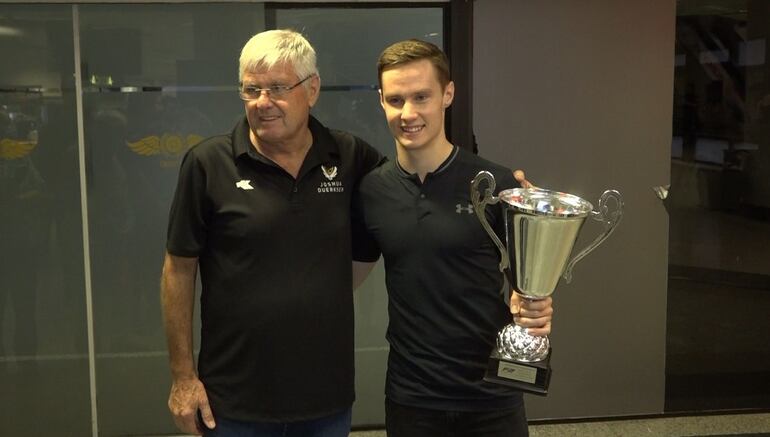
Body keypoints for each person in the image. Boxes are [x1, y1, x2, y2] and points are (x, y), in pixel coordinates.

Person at [161, 29, 382, 437]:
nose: (263, 103)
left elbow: (414, 198)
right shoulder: (208, 164)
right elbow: (178, 268)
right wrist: (182, 377)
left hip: (325, 399)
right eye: (251, 90)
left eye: (278, 88)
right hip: (232, 402)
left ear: (312, 88)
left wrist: (501, 190)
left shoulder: (350, 157)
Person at [352, 39, 553, 437]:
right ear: (381, 101)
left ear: (447, 94)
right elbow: (345, 279)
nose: (408, 113)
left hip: (492, 393)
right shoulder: (372, 191)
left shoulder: (496, 184)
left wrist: (538, 304)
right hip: (413, 398)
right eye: (395, 100)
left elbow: (530, 281)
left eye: (421, 97)